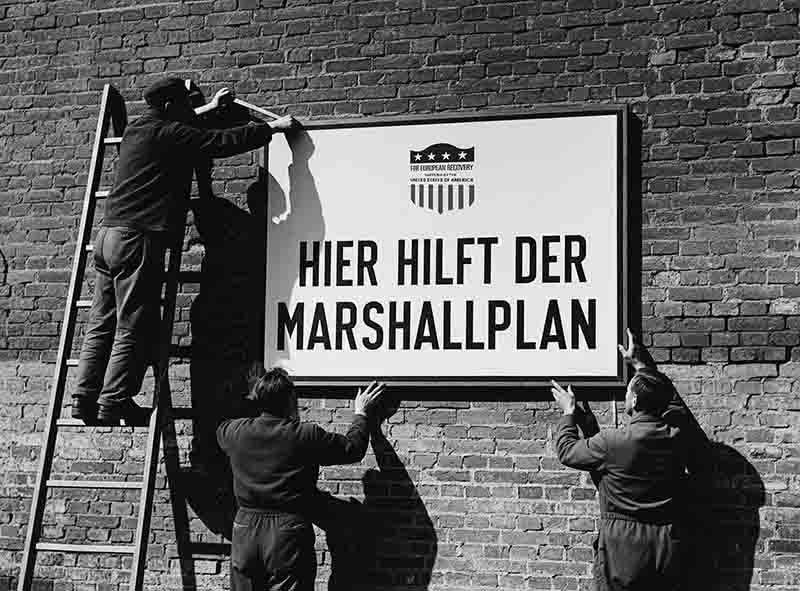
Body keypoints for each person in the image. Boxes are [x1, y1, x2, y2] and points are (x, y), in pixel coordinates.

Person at [72, 77, 295, 425]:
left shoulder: (138, 129)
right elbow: (217, 142)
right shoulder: (171, 133)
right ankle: (114, 401)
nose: (190, 111)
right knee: (133, 324)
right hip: (137, 240)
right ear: (169, 107)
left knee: (101, 322)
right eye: (184, 106)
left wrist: (211, 108)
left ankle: (83, 398)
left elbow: (185, 123)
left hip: (108, 237)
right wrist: (272, 128)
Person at [550, 329, 708, 591]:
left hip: (622, 544)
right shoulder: (677, 435)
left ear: (633, 400)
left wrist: (568, 413)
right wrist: (640, 366)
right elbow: (673, 403)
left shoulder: (612, 442)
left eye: (628, 391)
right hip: (668, 541)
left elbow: (567, 451)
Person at [217, 366, 386, 591]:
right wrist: (361, 414)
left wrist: (254, 396)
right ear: (290, 401)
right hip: (287, 531)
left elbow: (221, 429)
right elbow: (352, 449)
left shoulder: (234, 432)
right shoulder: (305, 435)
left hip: (244, 529)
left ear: (257, 399)